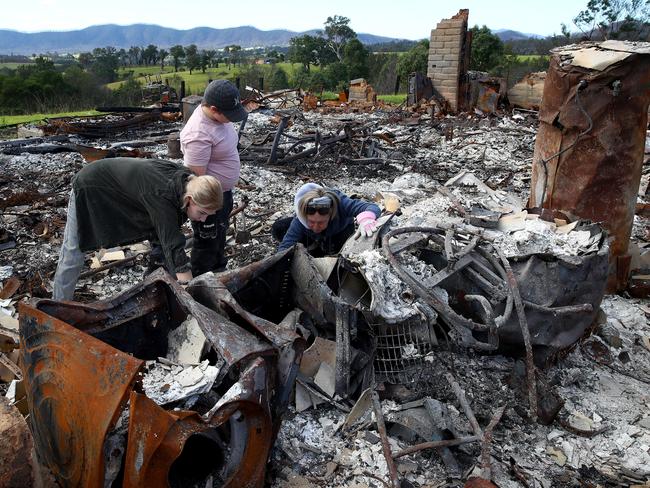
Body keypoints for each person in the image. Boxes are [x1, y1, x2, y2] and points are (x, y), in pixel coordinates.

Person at [52, 157, 223, 301]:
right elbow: (172, 243)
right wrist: (189, 292)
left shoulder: (188, 182)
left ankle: (157, 289)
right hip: (90, 187)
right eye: (202, 213)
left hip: (120, 189)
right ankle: (57, 308)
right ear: (190, 199)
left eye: (209, 214)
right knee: (73, 253)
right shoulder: (163, 194)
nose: (204, 219)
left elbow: (166, 235)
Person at [180, 79, 248, 276]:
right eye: (229, 115)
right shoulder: (197, 134)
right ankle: (202, 280)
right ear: (213, 109)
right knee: (207, 241)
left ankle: (219, 272)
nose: (232, 119)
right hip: (208, 199)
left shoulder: (216, 119)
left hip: (222, 193)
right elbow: (196, 180)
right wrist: (209, 208)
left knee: (219, 235)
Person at [274, 183, 381, 256]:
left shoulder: (341, 203)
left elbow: (371, 207)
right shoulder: (300, 220)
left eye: (321, 222)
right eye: (311, 222)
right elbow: (286, 245)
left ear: (331, 214)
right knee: (279, 228)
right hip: (311, 235)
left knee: (338, 255)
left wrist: (366, 218)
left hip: (340, 230)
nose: (316, 227)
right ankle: (313, 246)